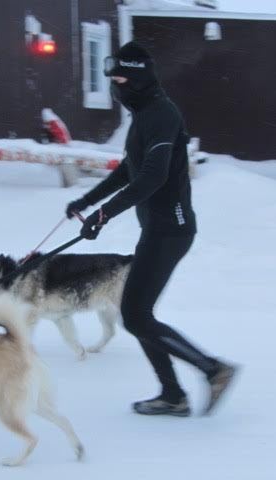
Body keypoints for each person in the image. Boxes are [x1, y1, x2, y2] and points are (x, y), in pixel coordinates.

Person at [65, 42, 237, 416]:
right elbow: (129, 170)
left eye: (122, 79)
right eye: (113, 80)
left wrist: (104, 214)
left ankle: (212, 370)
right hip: (157, 228)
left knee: (137, 315)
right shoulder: (144, 117)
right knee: (137, 314)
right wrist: (87, 203)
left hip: (171, 230)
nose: (116, 87)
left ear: (140, 79)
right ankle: (173, 394)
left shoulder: (161, 114)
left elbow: (152, 178)